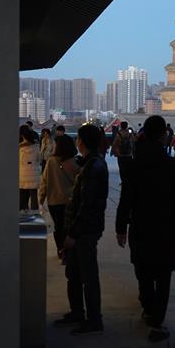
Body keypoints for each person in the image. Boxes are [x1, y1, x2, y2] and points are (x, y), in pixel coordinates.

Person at [115, 116, 175, 342]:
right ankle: (157, 319)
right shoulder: (173, 166)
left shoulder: (134, 165)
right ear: (163, 136)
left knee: (143, 270)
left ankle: (148, 308)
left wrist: (121, 227)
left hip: (140, 226)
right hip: (167, 228)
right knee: (163, 275)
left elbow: (126, 199)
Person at [57, 124, 109, 335]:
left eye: (78, 138)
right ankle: (77, 312)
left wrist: (73, 233)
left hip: (85, 231)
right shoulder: (89, 163)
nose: (76, 141)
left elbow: (87, 205)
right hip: (82, 228)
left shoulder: (94, 166)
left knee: (87, 276)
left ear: (83, 141)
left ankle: (94, 319)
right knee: (74, 273)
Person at [39, 134, 80, 257]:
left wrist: (41, 198)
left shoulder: (51, 161)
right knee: (69, 227)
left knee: (58, 227)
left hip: (54, 200)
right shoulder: (75, 161)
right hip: (70, 200)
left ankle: (60, 250)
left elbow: (44, 181)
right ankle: (68, 250)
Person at [19, 125, 41, 210]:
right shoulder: (36, 146)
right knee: (34, 196)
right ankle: (35, 212)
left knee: (22, 194)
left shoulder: (19, 147)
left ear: (21, 135)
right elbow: (39, 159)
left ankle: (23, 210)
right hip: (34, 173)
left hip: (22, 173)